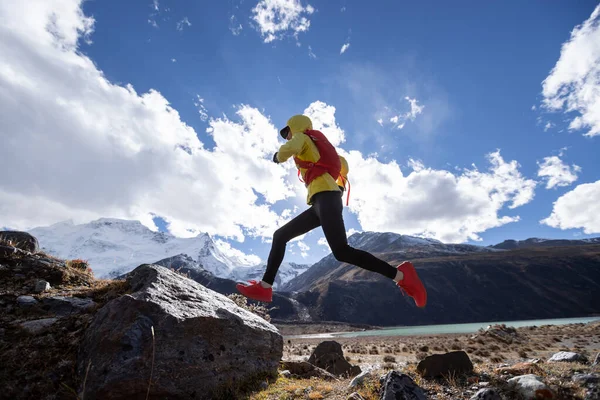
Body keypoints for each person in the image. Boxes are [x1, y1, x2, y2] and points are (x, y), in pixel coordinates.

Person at [236, 114, 427, 308]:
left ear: (295, 127)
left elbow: (290, 149)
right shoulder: (321, 148)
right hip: (320, 202)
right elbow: (343, 164)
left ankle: (402, 276)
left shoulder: (302, 137)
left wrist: (278, 156)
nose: (287, 137)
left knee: (342, 252)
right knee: (280, 235)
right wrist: (339, 189)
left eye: (288, 132)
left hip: (326, 199)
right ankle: (265, 287)